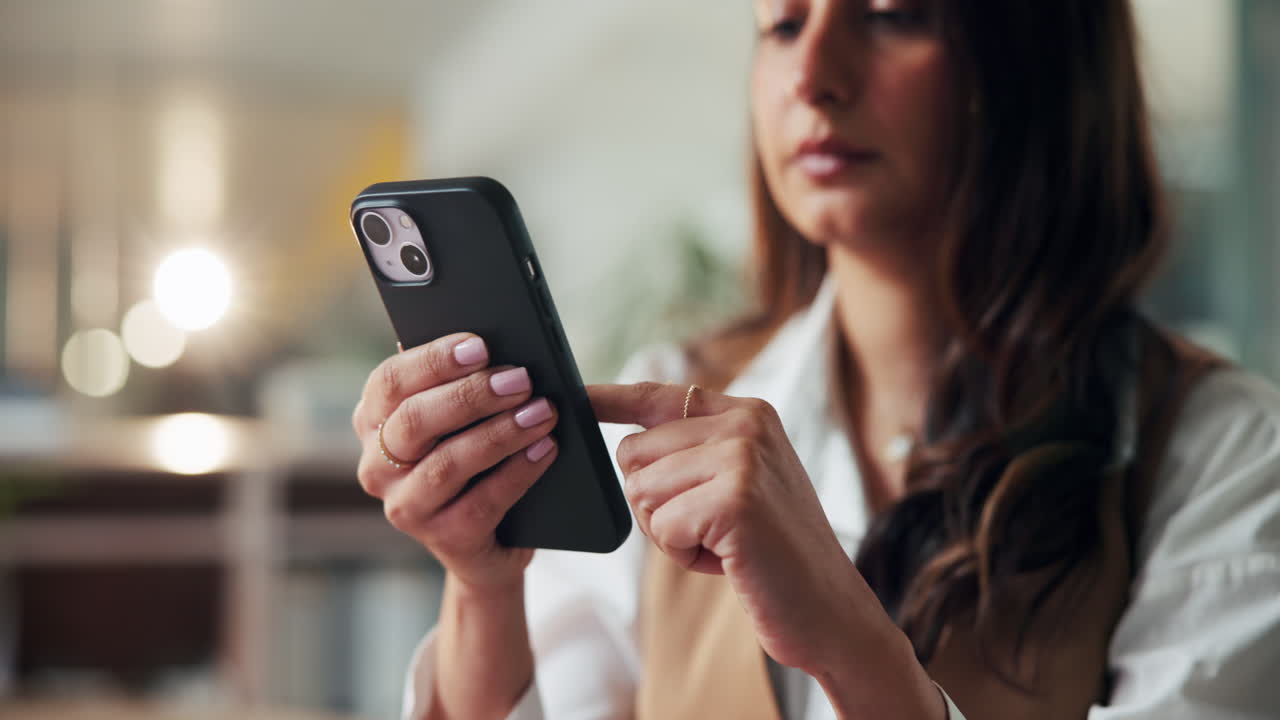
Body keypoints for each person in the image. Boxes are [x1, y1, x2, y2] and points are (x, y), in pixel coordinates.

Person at [350, 1, 1280, 718]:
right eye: (783, 23)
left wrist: (855, 650)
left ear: (1039, 56)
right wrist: (481, 583)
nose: (814, 76)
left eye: (891, 15)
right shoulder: (670, 392)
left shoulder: (1217, 448)